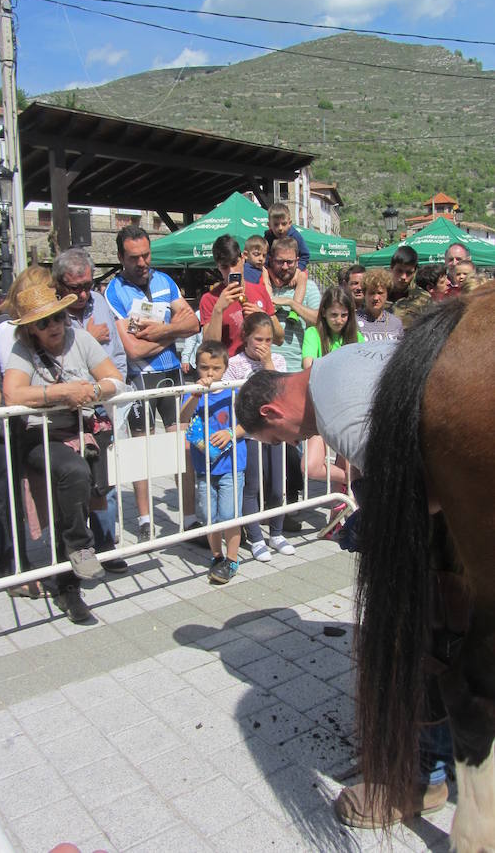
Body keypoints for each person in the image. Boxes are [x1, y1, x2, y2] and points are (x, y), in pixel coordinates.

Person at [235, 343, 453, 828]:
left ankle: (423, 778)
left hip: (460, 527)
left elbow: (427, 492)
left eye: (276, 439)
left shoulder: (339, 417)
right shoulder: (337, 364)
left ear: (273, 410)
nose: (288, 444)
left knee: (420, 648)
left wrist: (373, 523)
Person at [3, 284, 128, 623]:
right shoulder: (21, 349)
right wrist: (61, 392)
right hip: (39, 435)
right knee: (73, 472)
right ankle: (80, 548)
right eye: (44, 323)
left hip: (81, 432)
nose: (54, 326)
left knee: (84, 486)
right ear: (31, 328)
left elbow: (116, 380)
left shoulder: (80, 338)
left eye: (58, 317)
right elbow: (13, 392)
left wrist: (91, 389)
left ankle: (69, 581)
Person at [105, 225, 199, 542]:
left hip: (172, 374)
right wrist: (173, 331)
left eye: (146, 255)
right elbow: (132, 349)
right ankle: (145, 521)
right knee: (140, 452)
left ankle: (190, 519)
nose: (143, 262)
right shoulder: (114, 292)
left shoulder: (165, 280)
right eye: (135, 258)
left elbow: (193, 323)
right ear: (121, 258)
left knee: (181, 449)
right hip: (140, 378)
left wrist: (158, 332)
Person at [53, 248, 128, 574]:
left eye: (87, 285)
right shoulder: (52, 314)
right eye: (75, 288)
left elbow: (117, 357)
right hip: (67, 417)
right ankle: (73, 552)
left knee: (105, 483)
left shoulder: (99, 302)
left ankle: (107, 544)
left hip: (103, 410)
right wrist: (87, 339)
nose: (83, 294)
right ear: (59, 285)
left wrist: (115, 396)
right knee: (74, 484)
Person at [0, 266, 52, 597]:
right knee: (10, 495)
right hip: (2, 424)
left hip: (14, 422)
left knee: (15, 491)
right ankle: (14, 569)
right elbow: (12, 384)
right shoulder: (6, 331)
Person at [225, 312, 295, 561]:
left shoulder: (277, 360)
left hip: (274, 432)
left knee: (277, 486)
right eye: (258, 339)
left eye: (268, 340)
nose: (263, 345)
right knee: (252, 486)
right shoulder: (234, 364)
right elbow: (230, 400)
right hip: (249, 434)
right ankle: (255, 537)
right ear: (245, 337)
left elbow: (282, 391)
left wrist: (267, 365)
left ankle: (276, 533)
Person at [180, 340, 246, 585]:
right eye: (204, 367)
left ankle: (231, 558)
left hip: (231, 466)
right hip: (203, 467)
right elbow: (183, 417)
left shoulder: (234, 390)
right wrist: (196, 395)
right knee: (209, 516)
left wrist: (231, 432)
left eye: (215, 368)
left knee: (230, 515)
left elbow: (247, 422)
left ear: (225, 367)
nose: (209, 373)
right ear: (197, 366)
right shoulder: (194, 392)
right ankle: (216, 556)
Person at [267, 235, 320, 531]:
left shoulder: (309, 288)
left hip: (297, 373)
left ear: (297, 261)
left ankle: (290, 500)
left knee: (293, 439)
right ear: (272, 261)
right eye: (280, 261)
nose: (285, 266)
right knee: (271, 437)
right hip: (268, 370)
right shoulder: (264, 285)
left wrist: (290, 302)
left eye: (290, 261)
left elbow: (319, 319)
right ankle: (273, 501)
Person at [301, 287, 364, 533]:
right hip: (322, 412)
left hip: (349, 411)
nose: (339, 320)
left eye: (344, 315)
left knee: (349, 464)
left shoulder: (356, 337)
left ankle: (340, 523)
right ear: (324, 313)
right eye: (334, 314)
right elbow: (308, 366)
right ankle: (353, 484)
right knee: (311, 466)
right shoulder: (312, 334)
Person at [200, 234, 283, 356]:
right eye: (224, 267)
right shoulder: (209, 299)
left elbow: (279, 339)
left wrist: (263, 317)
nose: (231, 271)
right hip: (229, 371)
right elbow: (210, 350)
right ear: (218, 267)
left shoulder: (260, 290)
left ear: (243, 258)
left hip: (259, 369)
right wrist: (218, 310)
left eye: (234, 263)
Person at [387, 246, 432, 328]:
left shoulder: (424, 299)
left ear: (415, 272)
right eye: (399, 271)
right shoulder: (378, 294)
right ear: (391, 268)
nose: (404, 277)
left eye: (409, 273)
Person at [357, 269, 404, 342]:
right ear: (364, 294)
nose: (376, 298)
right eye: (371, 293)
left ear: (387, 294)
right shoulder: (354, 320)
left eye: (380, 293)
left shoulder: (396, 323)